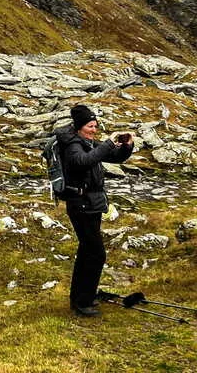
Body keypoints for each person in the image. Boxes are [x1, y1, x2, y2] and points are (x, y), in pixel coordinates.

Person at [55, 104, 134, 317]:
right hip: (80, 203)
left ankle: (83, 296)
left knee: (87, 251)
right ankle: (83, 301)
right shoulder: (72, 144)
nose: (94, 129)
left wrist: (126, 146)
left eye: (96, 125)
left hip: (90, 203)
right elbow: (83, 161)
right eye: (90, 125)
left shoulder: (86, 142)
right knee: (96, 253)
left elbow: (114, 157)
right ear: (80, 126)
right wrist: (108, 143)